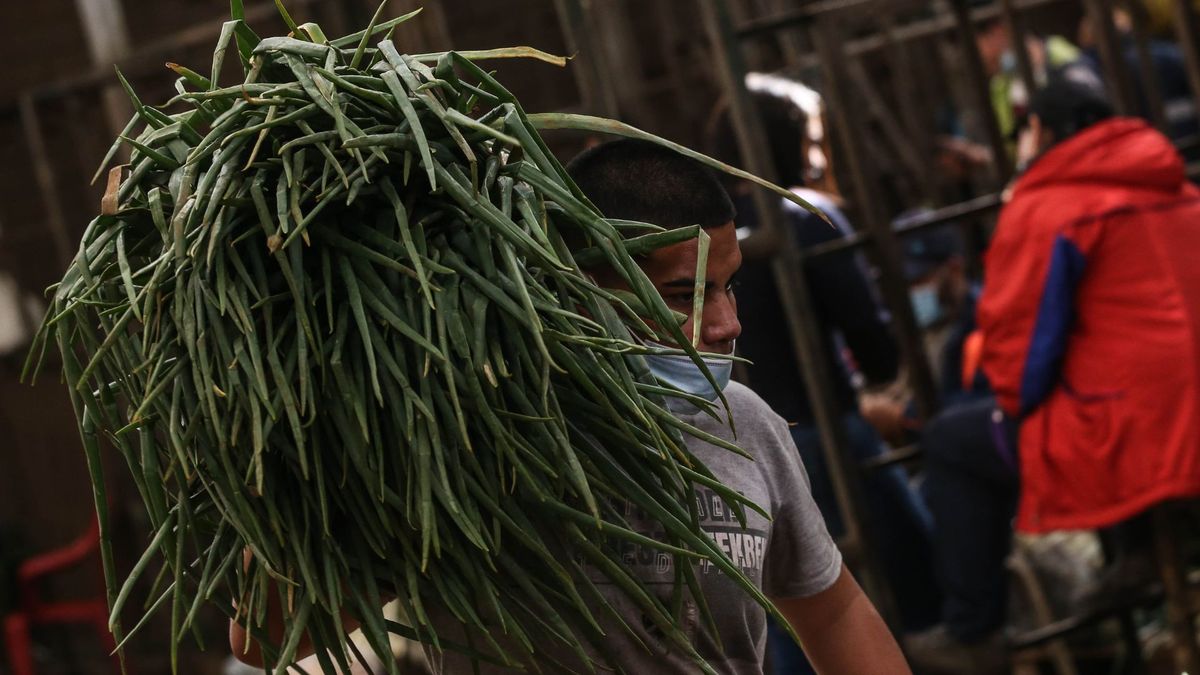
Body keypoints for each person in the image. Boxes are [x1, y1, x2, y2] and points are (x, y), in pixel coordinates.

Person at [231, 140, 910, 674]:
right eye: (685, 295)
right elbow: (265, 638)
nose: (727, 322)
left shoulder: (745, 423)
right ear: (579, 287)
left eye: (731, 287)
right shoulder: (465, 434)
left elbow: (832, 611)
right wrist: (307, 427)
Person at [908, 73, 1200, 673]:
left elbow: (1020, 359)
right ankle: (1136, 552)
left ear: (1039, 130)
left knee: (953, 440)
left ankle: (975, 632)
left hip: (1138, 430)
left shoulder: (1049, 206)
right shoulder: (1178, 190)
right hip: (1179, 416)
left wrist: (1013, 408)